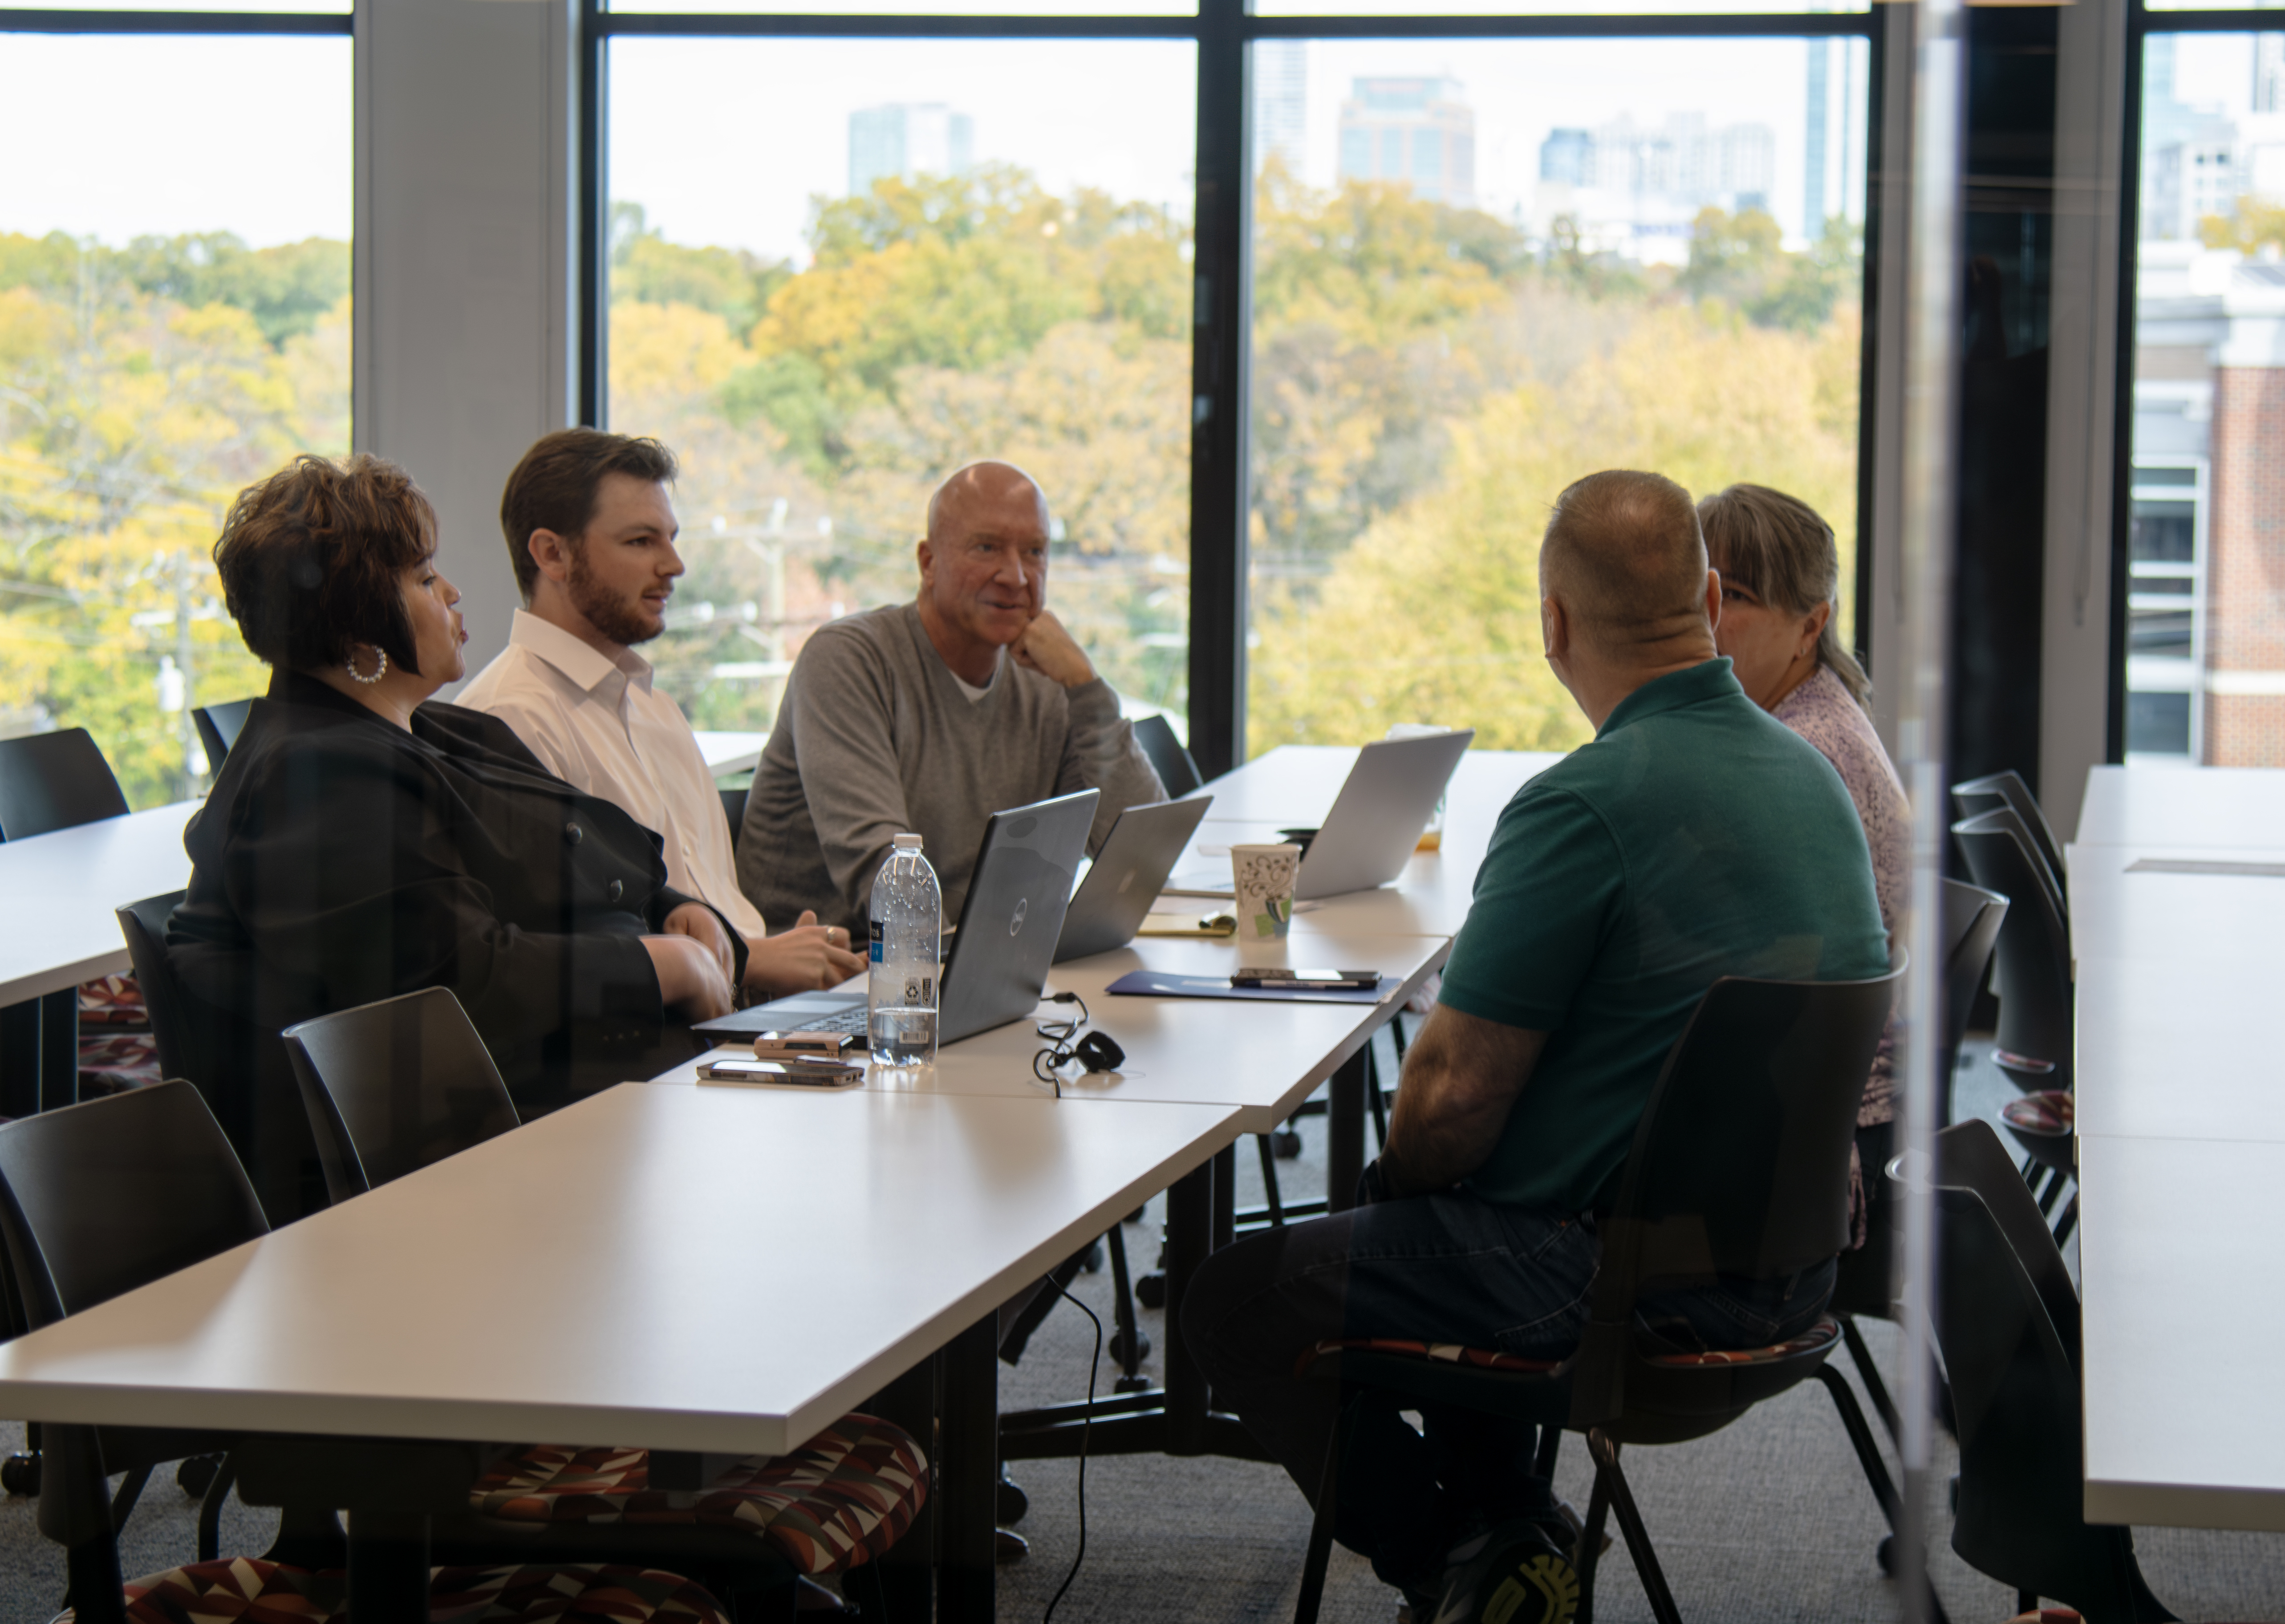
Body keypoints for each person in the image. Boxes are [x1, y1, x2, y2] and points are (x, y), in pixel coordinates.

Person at [1179, 471, 1889, 1624]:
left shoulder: (1582, 803)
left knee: (1236, 1300)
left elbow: (1446, 1104)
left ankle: (1470, 1558)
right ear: (1708, 598)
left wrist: (1398, 1184)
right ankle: (1512, 1535)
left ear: (1551, 623)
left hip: (1636, 1293)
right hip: (1796, 1270)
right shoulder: (1810, 773)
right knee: (1453, 1218)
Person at [169, 454, 740, 1220]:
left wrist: (673, 908)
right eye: (423, 577)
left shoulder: (437, 727)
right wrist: (663, 963)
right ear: (356, 626)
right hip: (478, 1171)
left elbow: (580, 850)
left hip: (594, 1110)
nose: (452, 591)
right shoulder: (314, 778)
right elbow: (463, 980)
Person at [458, 429, 867, 1003]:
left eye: (671, 538)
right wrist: (753, 962)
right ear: (552, 554)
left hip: (740, 1019)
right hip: (664, 1054)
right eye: (641, 541)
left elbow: (711, 911)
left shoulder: (655, 707)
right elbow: (571, 961)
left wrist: (781, 957)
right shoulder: (509, 720)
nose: (674, 564)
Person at [738, 460, 1166, 934]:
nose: (1016, 577)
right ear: (928, 563)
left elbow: (1141, 863)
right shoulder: (848, 661)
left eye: (1035, 552)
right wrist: (962, 974)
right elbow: (886, 876)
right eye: (987, 548)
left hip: (964, 970)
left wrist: (1089, 693)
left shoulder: (1050, 683)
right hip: (835, 977)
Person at [1699, 481, 1910, 1258]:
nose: (1706, 618)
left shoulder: (1802, 752)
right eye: (1700, 591)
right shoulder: (1806, 711)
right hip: (1848, 1107)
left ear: (1810, 624)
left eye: (1738, 595)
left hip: (1834, 1141)